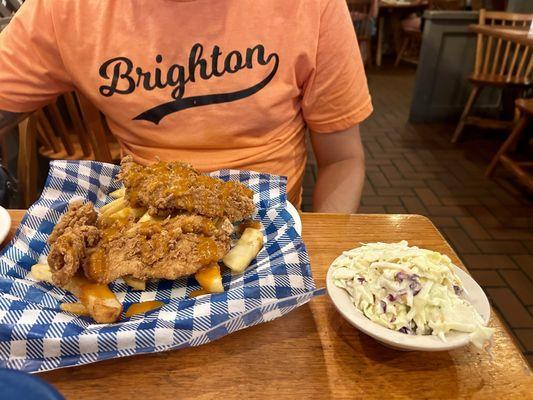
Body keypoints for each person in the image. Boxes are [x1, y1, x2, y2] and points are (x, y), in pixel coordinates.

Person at [0, 0, 372, 213]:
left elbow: (342, 159)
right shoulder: (68, 7)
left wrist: (322, 257)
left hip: (269, 230)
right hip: (142, 220)